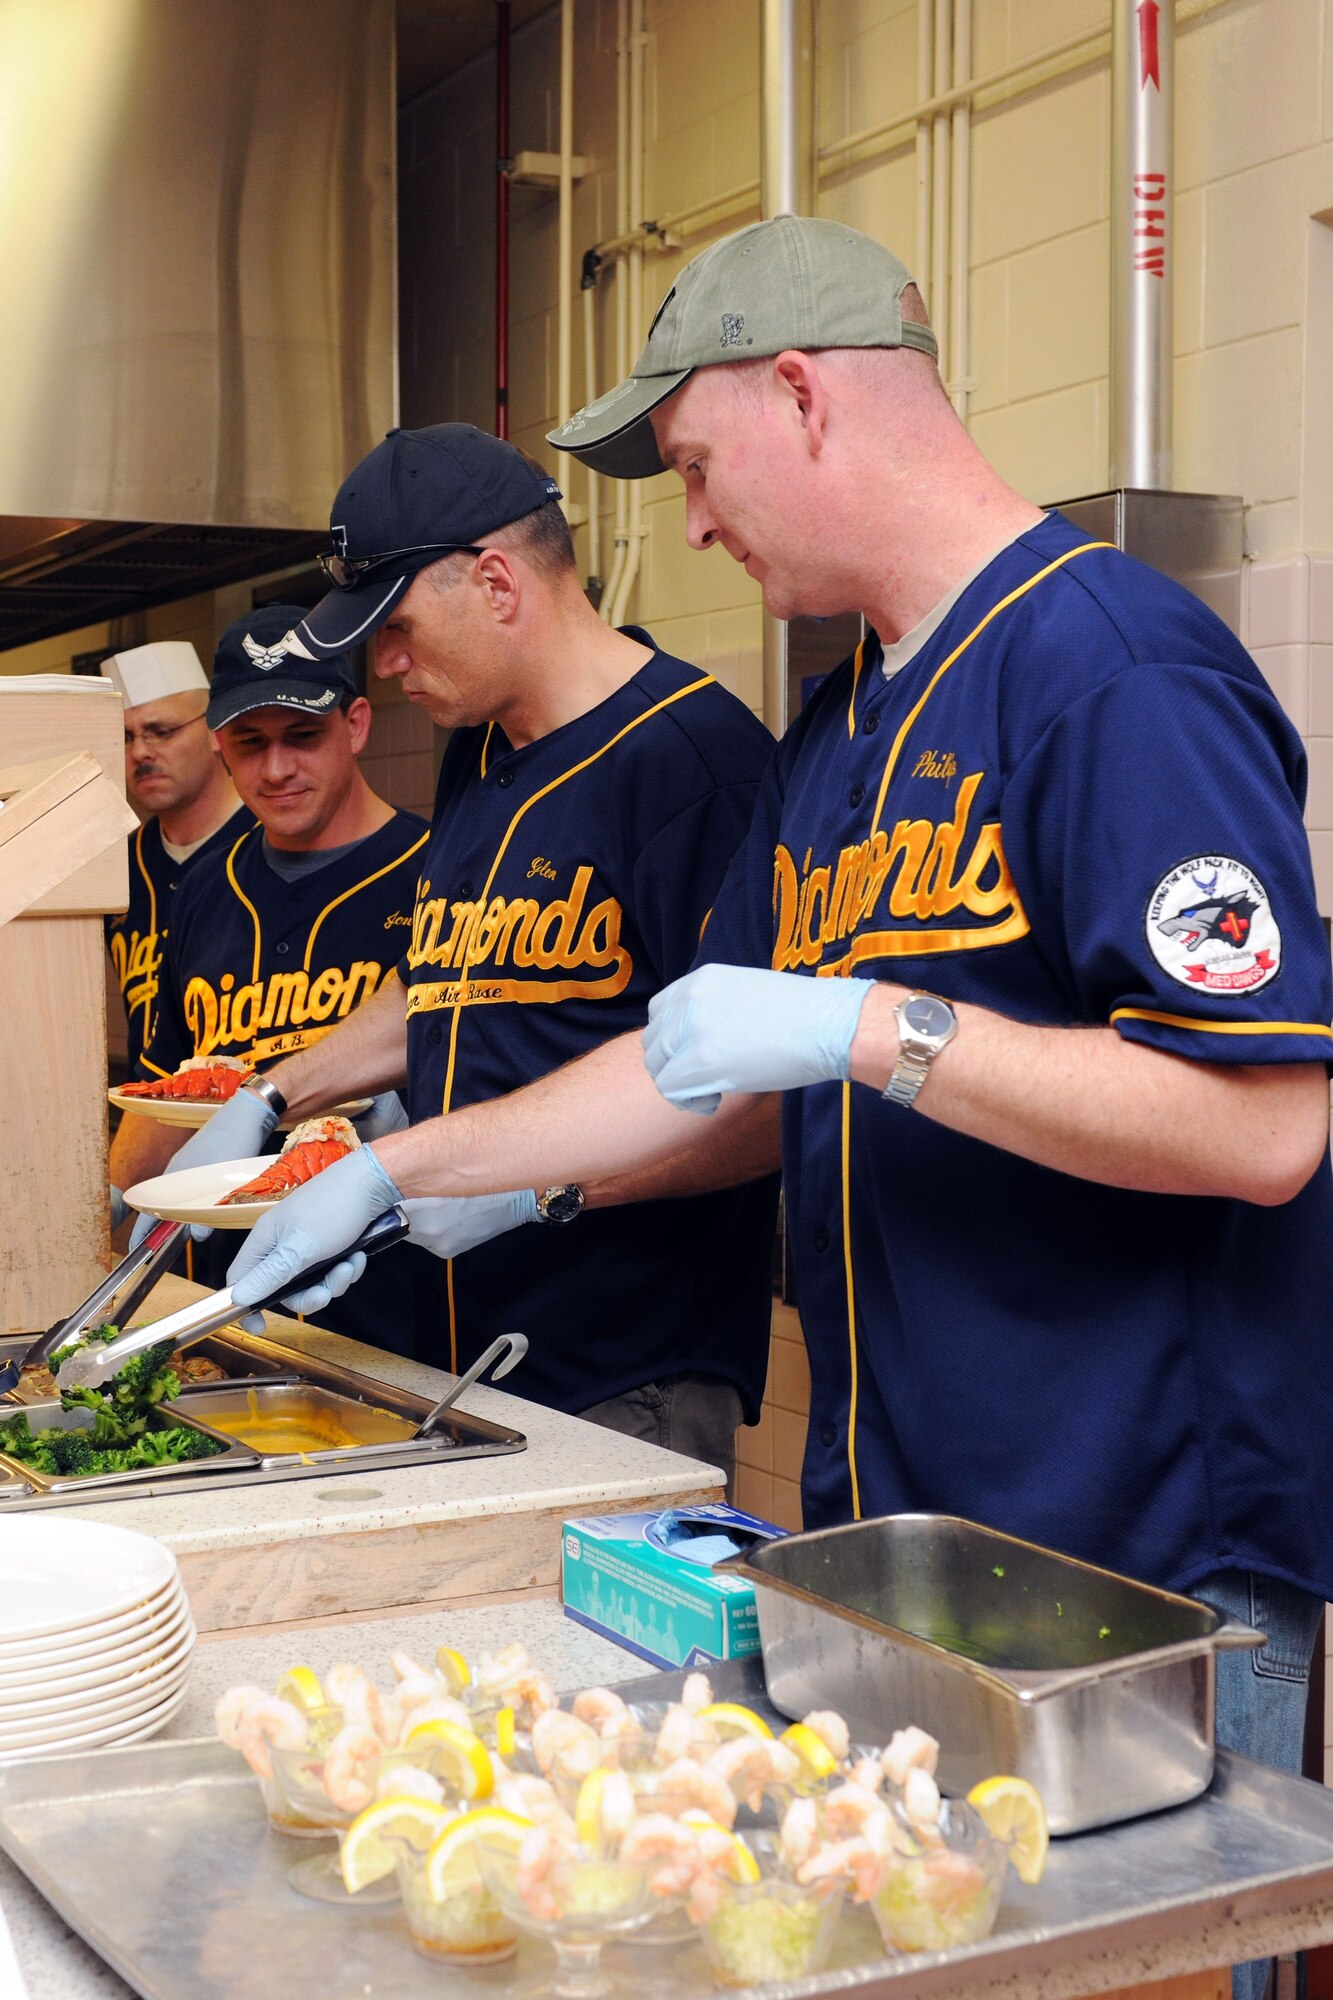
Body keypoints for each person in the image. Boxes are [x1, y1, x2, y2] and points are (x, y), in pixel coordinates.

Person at [218, 218, 1333, 1941]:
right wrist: (405, 1169)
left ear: (803, 395)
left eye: (692, 464)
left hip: (1138, 1566)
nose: (692, 521)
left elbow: (1265, 1131)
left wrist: (874, 1033)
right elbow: (691, 1081)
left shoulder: (1109, 670)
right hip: (905, 1549)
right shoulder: (835, 737)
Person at [154, 425, 779, 1483]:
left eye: (394, 630)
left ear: (494, 581)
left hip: (624, 1370)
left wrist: (536, 1192)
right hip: (466, 1354)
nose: (385, 666)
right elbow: (443, 975)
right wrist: (274, 1094)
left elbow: (768, 1107)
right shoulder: (479, 749)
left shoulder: (691, 761)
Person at [114, 603, 432, 1358]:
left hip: (394, 1300)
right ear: (221, 746)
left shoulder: (435, 871)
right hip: (224, 1310)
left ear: (356, 724)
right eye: (250, 744)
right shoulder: (206, 889)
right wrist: (112, 1230)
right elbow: (163, 1087)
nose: (276, 769)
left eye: (303, 737)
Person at [103, 640, 246, 1077]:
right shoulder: (119, 864)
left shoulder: (270, 844)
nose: (140, 752)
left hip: (253, 1117)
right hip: (146, 1110)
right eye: (125, 737)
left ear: (215, 733)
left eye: (160, 731)